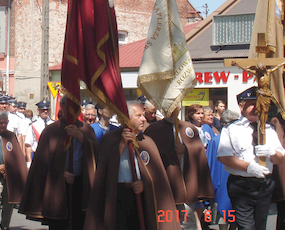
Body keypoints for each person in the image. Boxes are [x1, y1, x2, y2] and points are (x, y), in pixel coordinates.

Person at [84, 101, 179, 229]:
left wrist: (144, 184)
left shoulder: (147, 141)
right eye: (138, 115)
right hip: (117, 196)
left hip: (140, 197)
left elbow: (157, 177)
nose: (143, 119)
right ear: (126, 118)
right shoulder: (110, 139)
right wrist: (122, 144)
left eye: (143, 115)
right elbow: (105, 170)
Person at [19, 95, 98, 230]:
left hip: (81, 186)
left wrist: (80, 137)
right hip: (57, 188)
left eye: (75, 107)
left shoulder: (86, 130)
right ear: (62, 108)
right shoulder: (51, 131)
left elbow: (96, 154)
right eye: (68, 107)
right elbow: (42, 163)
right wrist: (62, 173)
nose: (71, 111)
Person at [217, 86, 284, 230]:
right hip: (241, 184)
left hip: (265, 185)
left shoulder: (269, 129)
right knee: (246, 227)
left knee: (260, 226)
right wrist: (249, 167)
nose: (257, 107)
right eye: (252, 102)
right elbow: (223, 157)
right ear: (241, 106)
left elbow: (279, 159)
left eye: (259, 102)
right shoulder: (231, 129)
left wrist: (271, 152)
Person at [144, 104, 214, 230]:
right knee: (167, 222)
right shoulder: (154, 130)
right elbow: (150, 155)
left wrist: (186, 151)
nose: (172, 112)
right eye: (169, 109)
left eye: (175, 109)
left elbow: (198, 152)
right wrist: (171, 152)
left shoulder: (188, 128)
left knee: (187, 221)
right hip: (166, 186)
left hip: (186, 185)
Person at [206, 109, 239, 230]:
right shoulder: (216, 140)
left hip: (226, 181)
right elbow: (211, 163)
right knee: (228, 213)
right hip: (223, 181)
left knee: (228, 213)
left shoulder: (218, 140)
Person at [24, 99, 54, 165]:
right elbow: (28, 145)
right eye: (43, 110)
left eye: (47, 109)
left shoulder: (54, 124)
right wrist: (29, 161)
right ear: (38, 110)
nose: (45, 111)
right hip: (38, 156)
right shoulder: (33, 125)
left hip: (52, 157)